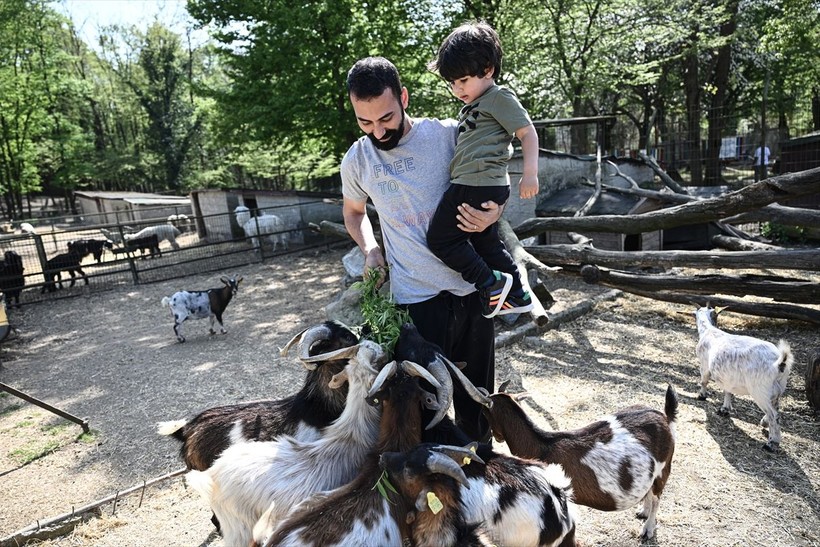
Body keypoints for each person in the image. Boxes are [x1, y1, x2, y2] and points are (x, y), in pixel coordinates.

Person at [341, 56, 500, 442]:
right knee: (423, 405)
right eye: (365, 122)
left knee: (477, 401)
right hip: (416, 299)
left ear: (404, 98)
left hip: (472, 287)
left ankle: (481, 475)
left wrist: (497, 210)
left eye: (386, 118)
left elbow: (493, 175)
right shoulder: (358, 159)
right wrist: (370, 248)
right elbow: (353, 212)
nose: (377, 132)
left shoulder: (447, 135)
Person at [426, 21, 539, 319]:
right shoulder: (476, 105)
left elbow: (528, 133)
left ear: (487, 68)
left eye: (463, 80)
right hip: (479, 182)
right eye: (452, 82)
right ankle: (518, 293)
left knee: (440, 239)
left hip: (475, 183)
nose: (457, 89)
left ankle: (489, 283)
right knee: (485, 241)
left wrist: (530, 173)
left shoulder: (499, 97)